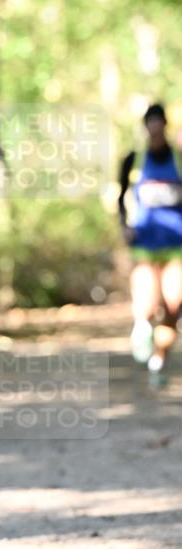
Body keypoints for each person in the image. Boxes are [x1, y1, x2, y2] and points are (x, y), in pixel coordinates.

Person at [118, 103, 182, 385]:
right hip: (145, 242)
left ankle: (159, 360)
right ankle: (142, 326)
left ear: (165, 126)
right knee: (148, 299)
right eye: (150, 123)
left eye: (159, 122)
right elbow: (120, 198)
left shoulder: (179, 159)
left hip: (176, 243)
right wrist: (124, 226)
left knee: (173, 303)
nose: (154, 128)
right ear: (145, 127)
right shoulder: (134, 159)